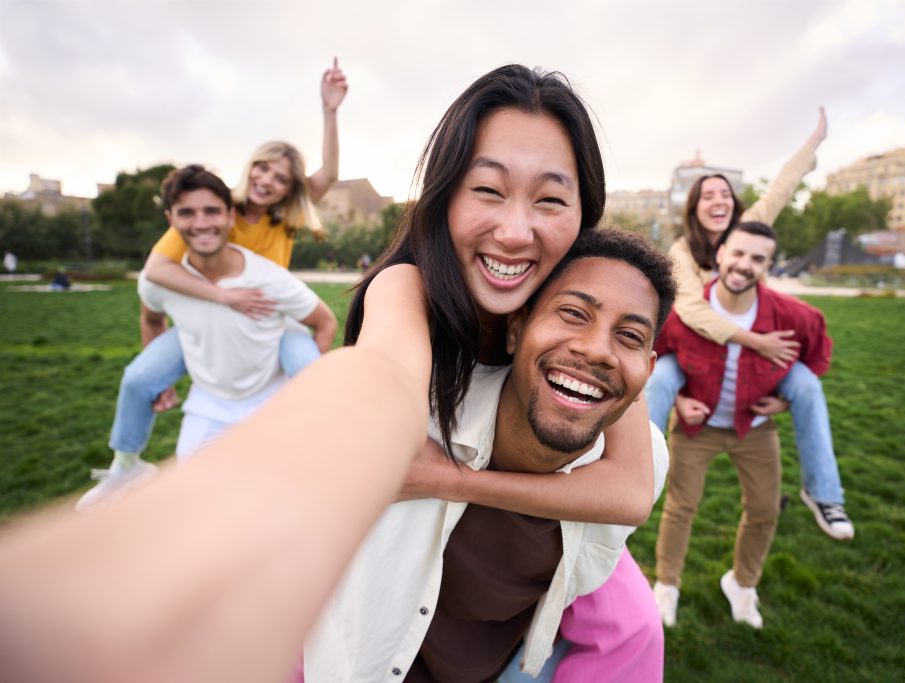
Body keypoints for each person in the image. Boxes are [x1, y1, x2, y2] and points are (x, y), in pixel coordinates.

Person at [0, 64, 653, 683]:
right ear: (444, 195)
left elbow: (627, 490)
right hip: (414, 572)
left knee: (633, 623)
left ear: (585, 212)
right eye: (487, 189)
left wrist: (453, 478)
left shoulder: (591, 321)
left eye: (550, 199)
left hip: (520, 558)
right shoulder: (407, 288)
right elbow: (379, 386)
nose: (515, 230)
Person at [306, 229, 675, 682]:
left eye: (629, 336)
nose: (597, 349)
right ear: (516, 328)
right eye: (573, 313)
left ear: (649, 371)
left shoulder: (642, 463)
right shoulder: (425, 420)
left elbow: (627, 506)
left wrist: (449, 479)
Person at [75, 58, 348, 510]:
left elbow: (329, 174)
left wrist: (330, 111)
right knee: (139, 377)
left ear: (288, 190)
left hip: (270, 324)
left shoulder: (284, 221)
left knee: (312, 377)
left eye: (280, 178)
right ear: (250, 167)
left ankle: (326, 464)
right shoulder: (217, 211)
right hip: (208, 320)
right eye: (262, 168)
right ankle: (126, 465)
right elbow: (158, 271)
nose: (268, 180)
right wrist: (225, 295)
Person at [645, 108, 855, 542]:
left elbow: (782, 187)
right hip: (702, 352)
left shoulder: (749, 231)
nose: (718, 200)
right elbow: (690, 313)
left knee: (807, 387)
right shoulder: (684, 251)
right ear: (695, 208)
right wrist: (754, 341)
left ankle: (824, 492)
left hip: (755, 356)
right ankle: (632, 472)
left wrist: (813, 144)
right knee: (659, 378)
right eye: (708, 195)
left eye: (725, 193)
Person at [653, 221, 834, 629]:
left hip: (754, 429)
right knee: (681, 508)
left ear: (768, 265)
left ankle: (743, 585)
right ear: (719, 254)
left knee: (765, 510)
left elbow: (817, 359)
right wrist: (680, 401)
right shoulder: (687, 313)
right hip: (696, 429)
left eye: (757, 258)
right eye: (737, 253)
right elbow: (655, 359)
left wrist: (786, 402)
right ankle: (667, 585)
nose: (743, 265)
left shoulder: (790, 316)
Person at [138, 165, 337, 463]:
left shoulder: (272, 270)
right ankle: (125, 463)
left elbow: (325, 321)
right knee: (193, 498)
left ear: (231, 216)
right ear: (171, 220)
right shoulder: (162, 278)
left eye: (211, 211)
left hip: (272, 398)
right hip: (209, 405)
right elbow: (151, 318)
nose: (201, 222)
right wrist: (160, 376)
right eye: (187, 213)